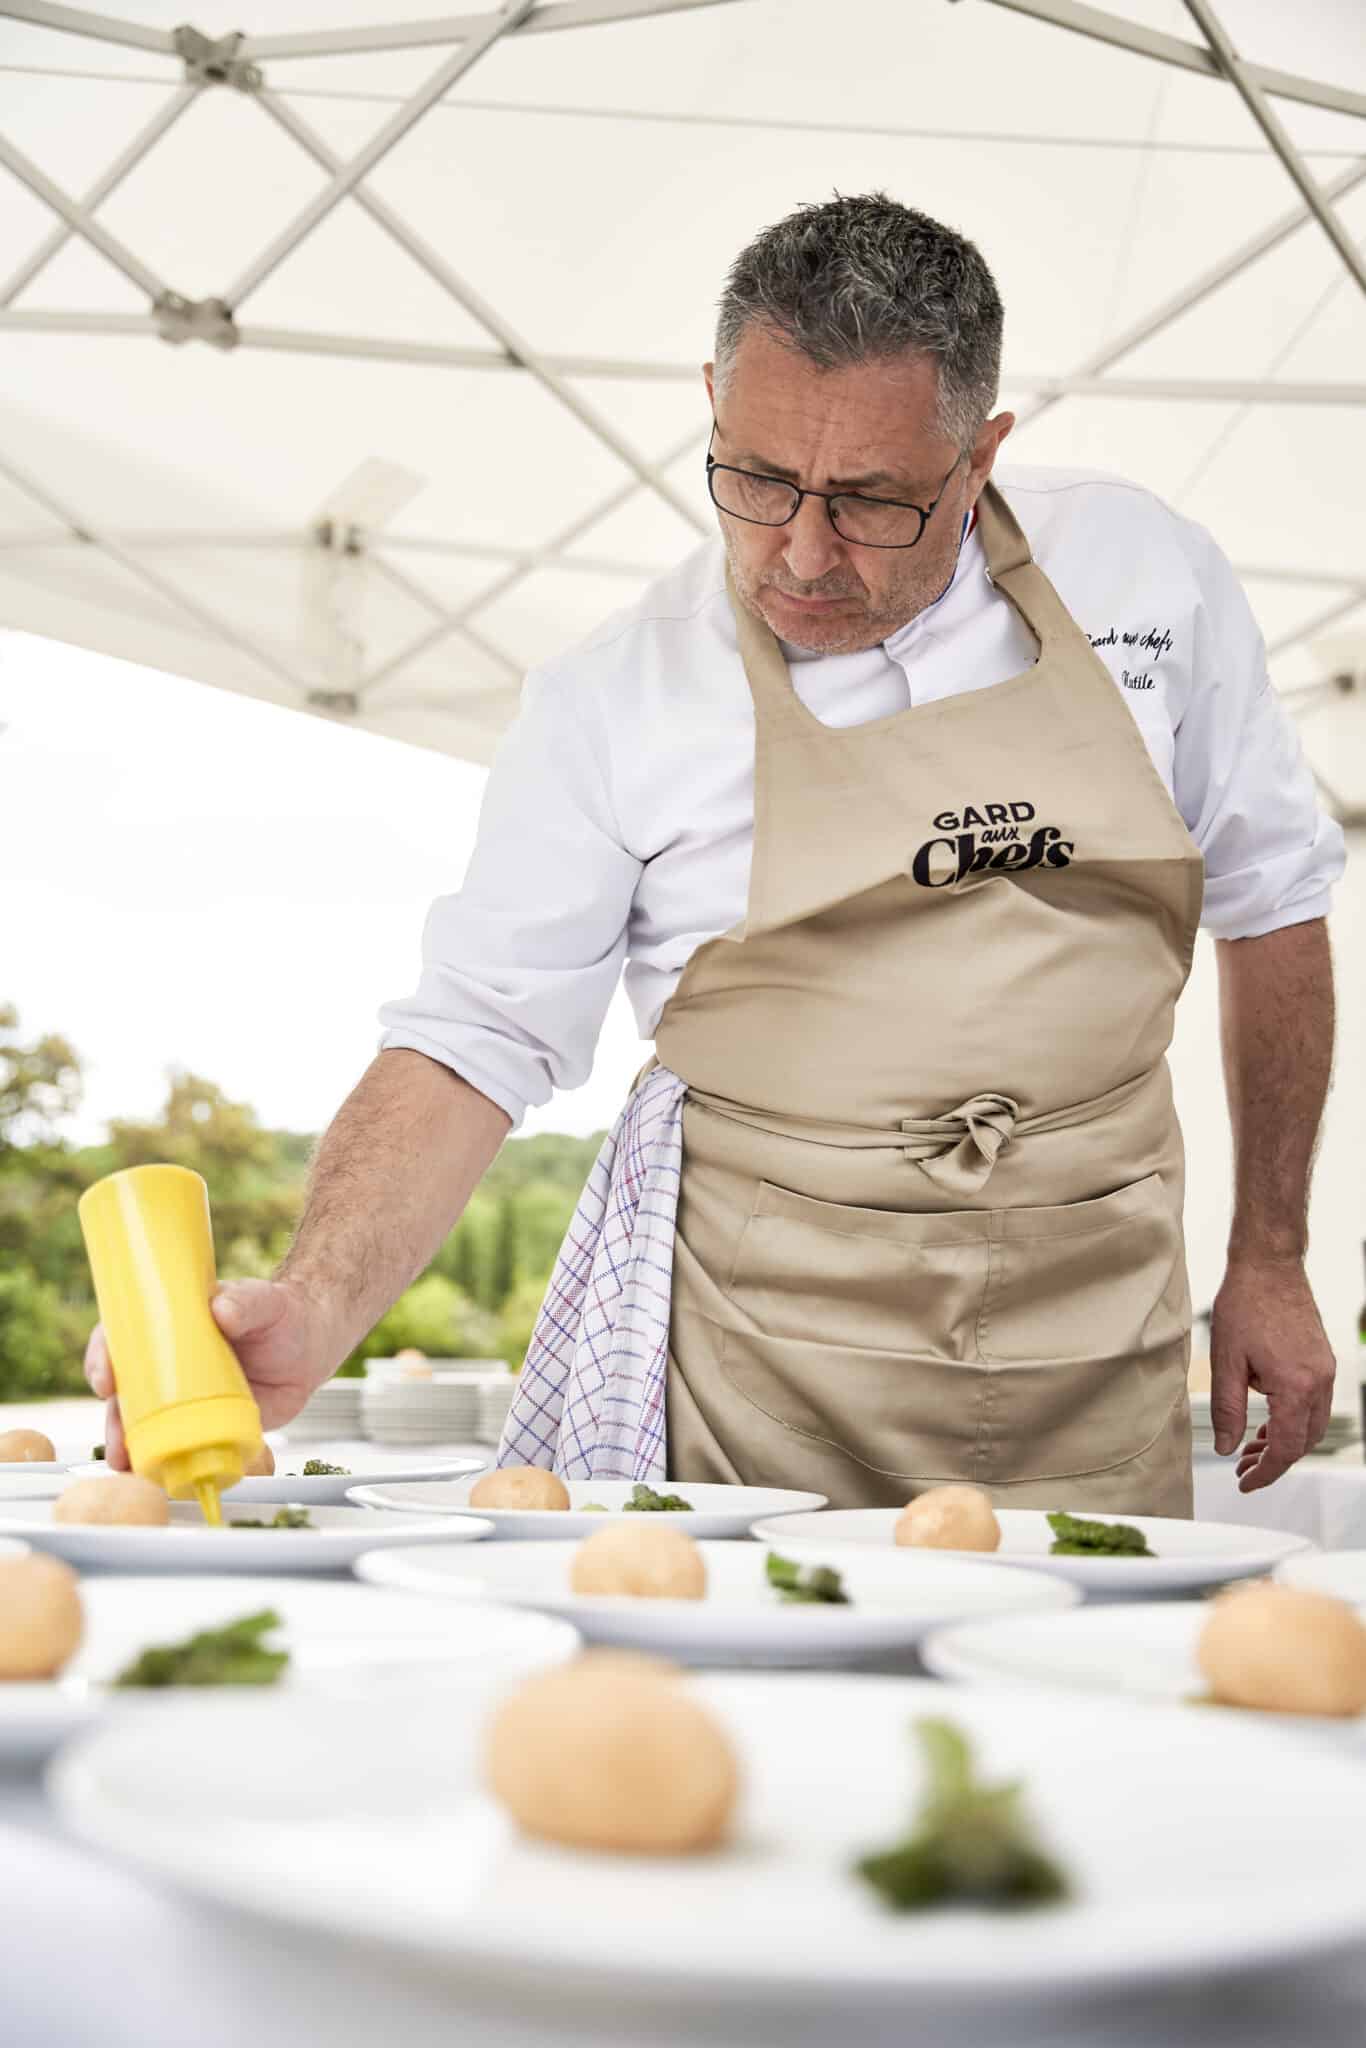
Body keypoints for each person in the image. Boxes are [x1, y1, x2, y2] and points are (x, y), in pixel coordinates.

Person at [87, 194, 1343, 1511]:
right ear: (709, 404)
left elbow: (1271, 900)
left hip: (1097, 1317)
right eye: (754, 481)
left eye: (871, 502)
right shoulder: (618, 697)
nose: (800, 552)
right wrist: (313, 1301)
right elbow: (474, 1036)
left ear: (980, 456)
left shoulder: (1145, 573)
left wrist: (1269, 1250)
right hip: (767, 1368)